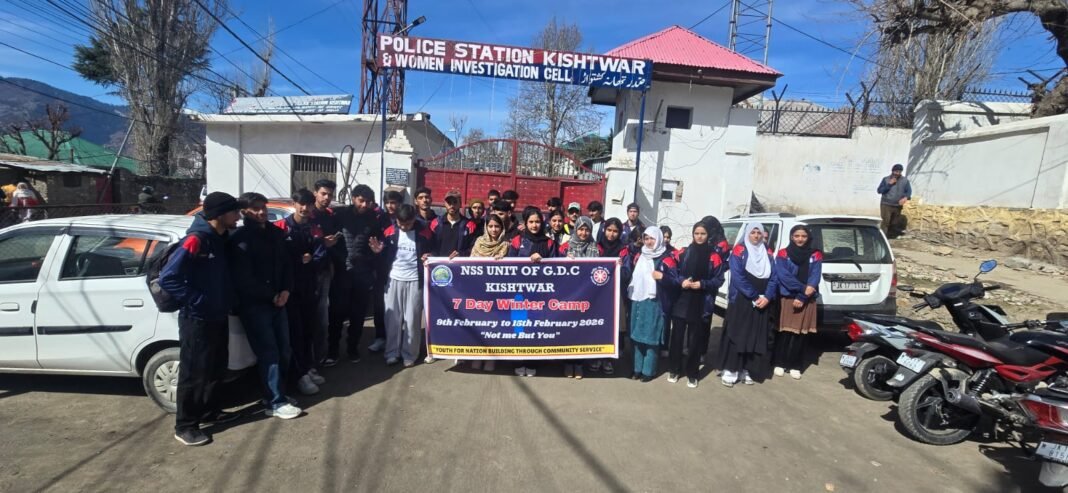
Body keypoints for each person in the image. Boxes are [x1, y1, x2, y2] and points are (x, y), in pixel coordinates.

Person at [160, 192, 242, 446]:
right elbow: (168, 278)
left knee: (216, 367)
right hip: (197, 319)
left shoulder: (218, 238)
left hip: (217, 316)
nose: (238, 217)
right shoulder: (197, 240)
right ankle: (185, 425)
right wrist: (197, 300)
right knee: (194, 373)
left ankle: (210, 411)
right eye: (234, 212)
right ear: (220, 214)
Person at [230, 192, 301, 419]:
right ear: (244, 212)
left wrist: (287, 290)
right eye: (255, 209)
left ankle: (277, 393)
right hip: (256, 306)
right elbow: (244, 278)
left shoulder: (275, 233)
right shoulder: (240, 239)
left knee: (284, 350)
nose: (261, 212)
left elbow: (287, 265)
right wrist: (271, 295)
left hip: (280, 301)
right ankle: (274, 402)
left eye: (263, 207)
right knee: (268, 352)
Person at [275, 189, 329, 396]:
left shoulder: (315, 229)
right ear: (294, 204)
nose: (305, 209)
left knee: (308, 332)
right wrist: (299, 261)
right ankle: (299, 376)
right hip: (288, 292)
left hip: (309, 288)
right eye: (301, 204)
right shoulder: (281, 228)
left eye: (308, 205)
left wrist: (311, 261)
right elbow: (278, 260)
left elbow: (320, 256)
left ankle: (307, 368)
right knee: (294, 335)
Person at [328, 185, 385, 365]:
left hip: (363, 274)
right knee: (337, 314)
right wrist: (341, 259)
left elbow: (376, 244)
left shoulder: (373, 220)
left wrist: (376, 253)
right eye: (361, 200)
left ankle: (352, 348)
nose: (364, 205)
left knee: (358, 315)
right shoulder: (339, 216)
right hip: (341, 273)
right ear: (353, 198)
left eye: (368, 202)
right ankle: (332, 351)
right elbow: (331, 242)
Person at [717, 223, 778, 387]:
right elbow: (738, 276)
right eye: (753, 232)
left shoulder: (768, 252)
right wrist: (754, 295)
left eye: (759, 233)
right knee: (737, 334)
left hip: (762, 301)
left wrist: (767, 296)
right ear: (747, 234)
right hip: (743, 299)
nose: (756, 236)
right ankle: (731, 370)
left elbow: (774, 277)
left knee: (755, 335)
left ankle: (747, 369)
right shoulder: (739, 250)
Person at [667, 222, 727, 388]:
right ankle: (674, 369)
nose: (699, 237)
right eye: (697, 233)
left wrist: (703, 284)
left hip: (701, 302)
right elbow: (673, 272)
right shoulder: (684, 252)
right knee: (677, 338)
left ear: (708, 236)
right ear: (693, 234)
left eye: (703, 234)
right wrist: (681, 281)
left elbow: (719, 279)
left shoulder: (714, 256)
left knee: (695, 341)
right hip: (681, 300)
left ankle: (692, 373)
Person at [381, 204, 434, 367]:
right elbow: (382, 253)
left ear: (414, 219)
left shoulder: (425, 232)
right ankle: (391, 352)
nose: (404, 227)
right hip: (393, 279)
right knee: (392, 319)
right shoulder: (390, 231)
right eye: (401, 223)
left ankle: (410, 354)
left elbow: (434, 250)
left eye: (408, 224)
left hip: (415, 280)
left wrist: (430, 255)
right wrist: (378, 251)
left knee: (412, 319)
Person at [507, 208, 557, 377]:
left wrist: (543, 263)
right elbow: (509, 265)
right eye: (531, 222)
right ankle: (519, 361)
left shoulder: (549, 243)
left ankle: (533, 362)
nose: (534, 225)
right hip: (520, 293)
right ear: (525, 223)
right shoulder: (516, 241)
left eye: (537, 222)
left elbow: (557, 268)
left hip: (540, 295)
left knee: (536, 327)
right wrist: (527, 260)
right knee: (520, 327)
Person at [622, 227, 676, 382]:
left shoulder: (667, 258)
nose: (649, 241)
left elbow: (675, 281)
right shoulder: (640, 255)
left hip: (654, 302)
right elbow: (629, 273)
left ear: (658, 239)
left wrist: (663, 277)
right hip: (637, 299)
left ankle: (648, 371)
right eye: (646, 238)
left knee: (651, 337)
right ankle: (636, 368)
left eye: (652, 238)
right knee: (636, 336)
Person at [772, 225, 823, 380]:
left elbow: (815, 276)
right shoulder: (783, 253)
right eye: (796, 236)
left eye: (803, 236)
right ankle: (779, 362)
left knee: (800, 334)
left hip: (807, 299)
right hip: (788, 297)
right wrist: (802, 289)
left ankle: (795, 365)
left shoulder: (816, 254)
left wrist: (803, 296)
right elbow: (783, 275)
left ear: (808, 238)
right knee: (784, 332)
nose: (800, 239)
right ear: (791, 237)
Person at [558, 216, 602, 379]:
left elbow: (602, 268)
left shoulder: (596, 248)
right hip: (568, 296)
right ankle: (568, 364)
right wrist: (563, 261)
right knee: (569, 329)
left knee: (582, 330)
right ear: (575, 229)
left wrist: (615, 265)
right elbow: (553, 269)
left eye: (587, 229)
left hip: (588, 297)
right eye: (580, 229)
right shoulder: (564, 248)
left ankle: (579, 364)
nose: (583, 233)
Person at [467, 214, 510, 372]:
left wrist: (503, 260)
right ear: (486, 227)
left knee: (493, 325)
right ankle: (478, 355)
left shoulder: (505, 245)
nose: (493, 229)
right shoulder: (479, 242)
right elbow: (470, 264)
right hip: (479, 290)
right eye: (490, 226)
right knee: (480, 324)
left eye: (497, 226)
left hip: (497, 291)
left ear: (502, 228)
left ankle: (491, 359)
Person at [310, 180, 342, 367]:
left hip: (326, 271)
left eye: (330, 194)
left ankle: (320, 357)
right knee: (312, 318)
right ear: (315, 193)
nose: (327, 198)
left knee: (324, 317)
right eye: (323, 193)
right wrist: (323, 243)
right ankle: (311, 360)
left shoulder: (331, 216)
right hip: (308, 274)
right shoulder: (308, 215)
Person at [589, 217, 626, 375]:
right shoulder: (596, 247)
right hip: (598, 294)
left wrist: (621, 268)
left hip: (615, 294)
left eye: (615, 231)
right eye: (609, 230)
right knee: (598, 325)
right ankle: (597, 357)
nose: (611, 234)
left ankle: (608, 360)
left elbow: (627, 274)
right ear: (604, 230)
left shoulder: (623, 250)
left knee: (613, 327)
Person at [430, 193, 477, 259]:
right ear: (445, 204)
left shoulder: (469, 225)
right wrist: (430, 255)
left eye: (455, 202)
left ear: (460, 204)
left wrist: (461, 254)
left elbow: (474, 249)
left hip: (459, 266)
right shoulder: (436, 223)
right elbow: (430, 246)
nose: (452, 206)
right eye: (449, 203)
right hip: (439, 266)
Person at [877, 163, 911, 238]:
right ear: (892, 171)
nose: (897, 173)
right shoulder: (886, 179)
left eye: (899, 172)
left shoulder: (905, 181)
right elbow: (879, 190)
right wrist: (889, 184)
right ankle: (883, 237)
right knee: (885, 222)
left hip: (897, 205)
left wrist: (905, 198)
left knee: (894, 222)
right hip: (886, 204)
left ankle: (890, 235)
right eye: (895, 171)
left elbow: (908, 191)